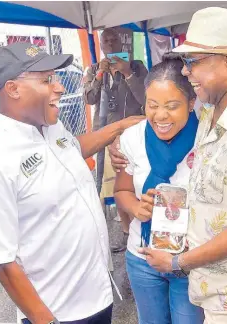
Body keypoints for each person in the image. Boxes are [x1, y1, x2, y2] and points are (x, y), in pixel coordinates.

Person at [111, 7, 227, 324]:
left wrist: (177, 262)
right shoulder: (215, 109)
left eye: (194, 62)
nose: (186, 73)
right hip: (214, 285)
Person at [0, 42, 143, 324]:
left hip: (98, 295)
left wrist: (118, 129)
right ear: (13, 89)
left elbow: (71, 149)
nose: (59, 87)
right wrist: (45, 320)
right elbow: (2, 260)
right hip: (59, 313)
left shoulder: (51, 128)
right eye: (47, 80)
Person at [113, 55, 204, 324]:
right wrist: (135, 207)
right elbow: (121, 191)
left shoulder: (207, 139)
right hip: (142, 257)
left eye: (171, 106)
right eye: (152, 105)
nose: (160, 115)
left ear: (191, 103)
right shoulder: (133, 137)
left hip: (189, 259)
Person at [83, 28, 148, 253]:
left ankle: (139, 228)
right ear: (101, 45)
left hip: (132, 132)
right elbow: (89, 98)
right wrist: (100, 75)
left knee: (132, 183)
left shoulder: (137, 66)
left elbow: (145, 98)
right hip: (106, 135)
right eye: (106, 40)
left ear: (122, 42)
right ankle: (126, 232)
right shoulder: (93, 69)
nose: (110, 44)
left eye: (114, 39)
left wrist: (127, 73)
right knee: (112, 186)